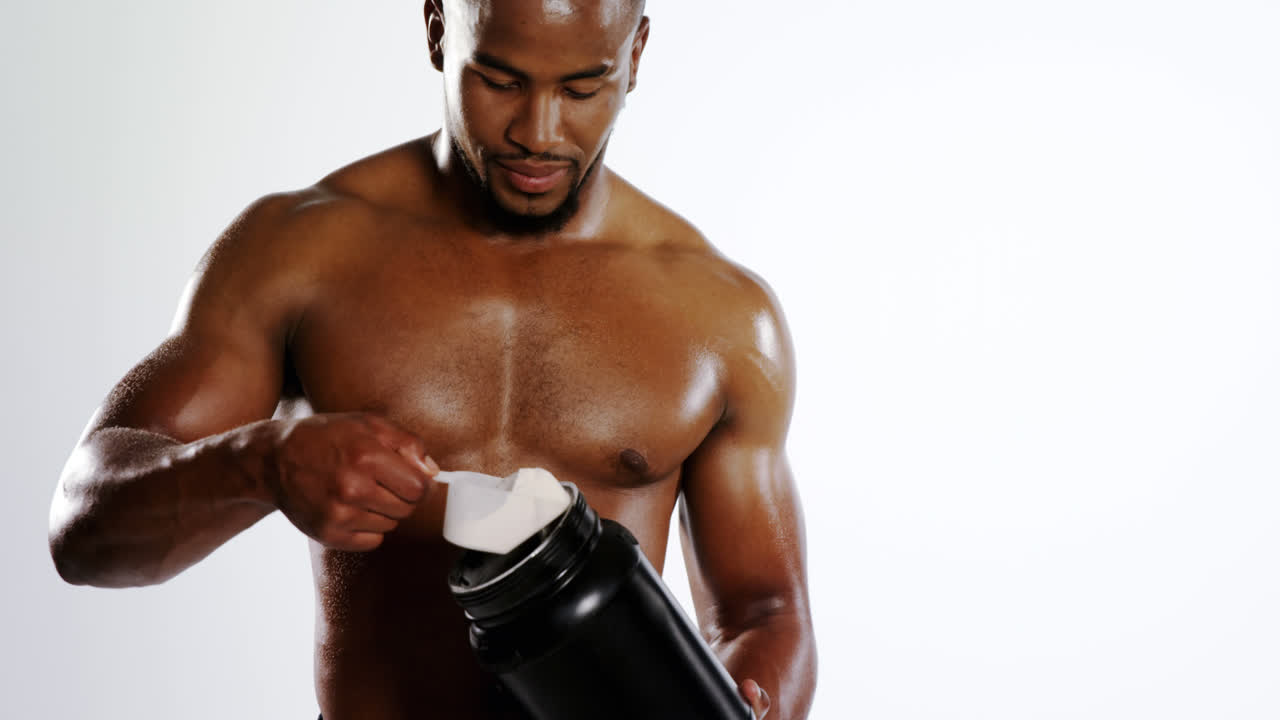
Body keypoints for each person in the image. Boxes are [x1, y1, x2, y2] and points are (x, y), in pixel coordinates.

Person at [47, 0, 817, 718]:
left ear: (636, 55)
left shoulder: (722, 316)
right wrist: (261, 463)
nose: (538, 132)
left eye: (584, 87)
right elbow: (84, 526)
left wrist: (749, 698)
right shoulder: (302, 254)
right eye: (500, 79)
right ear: (438, 27)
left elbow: (764, 612)